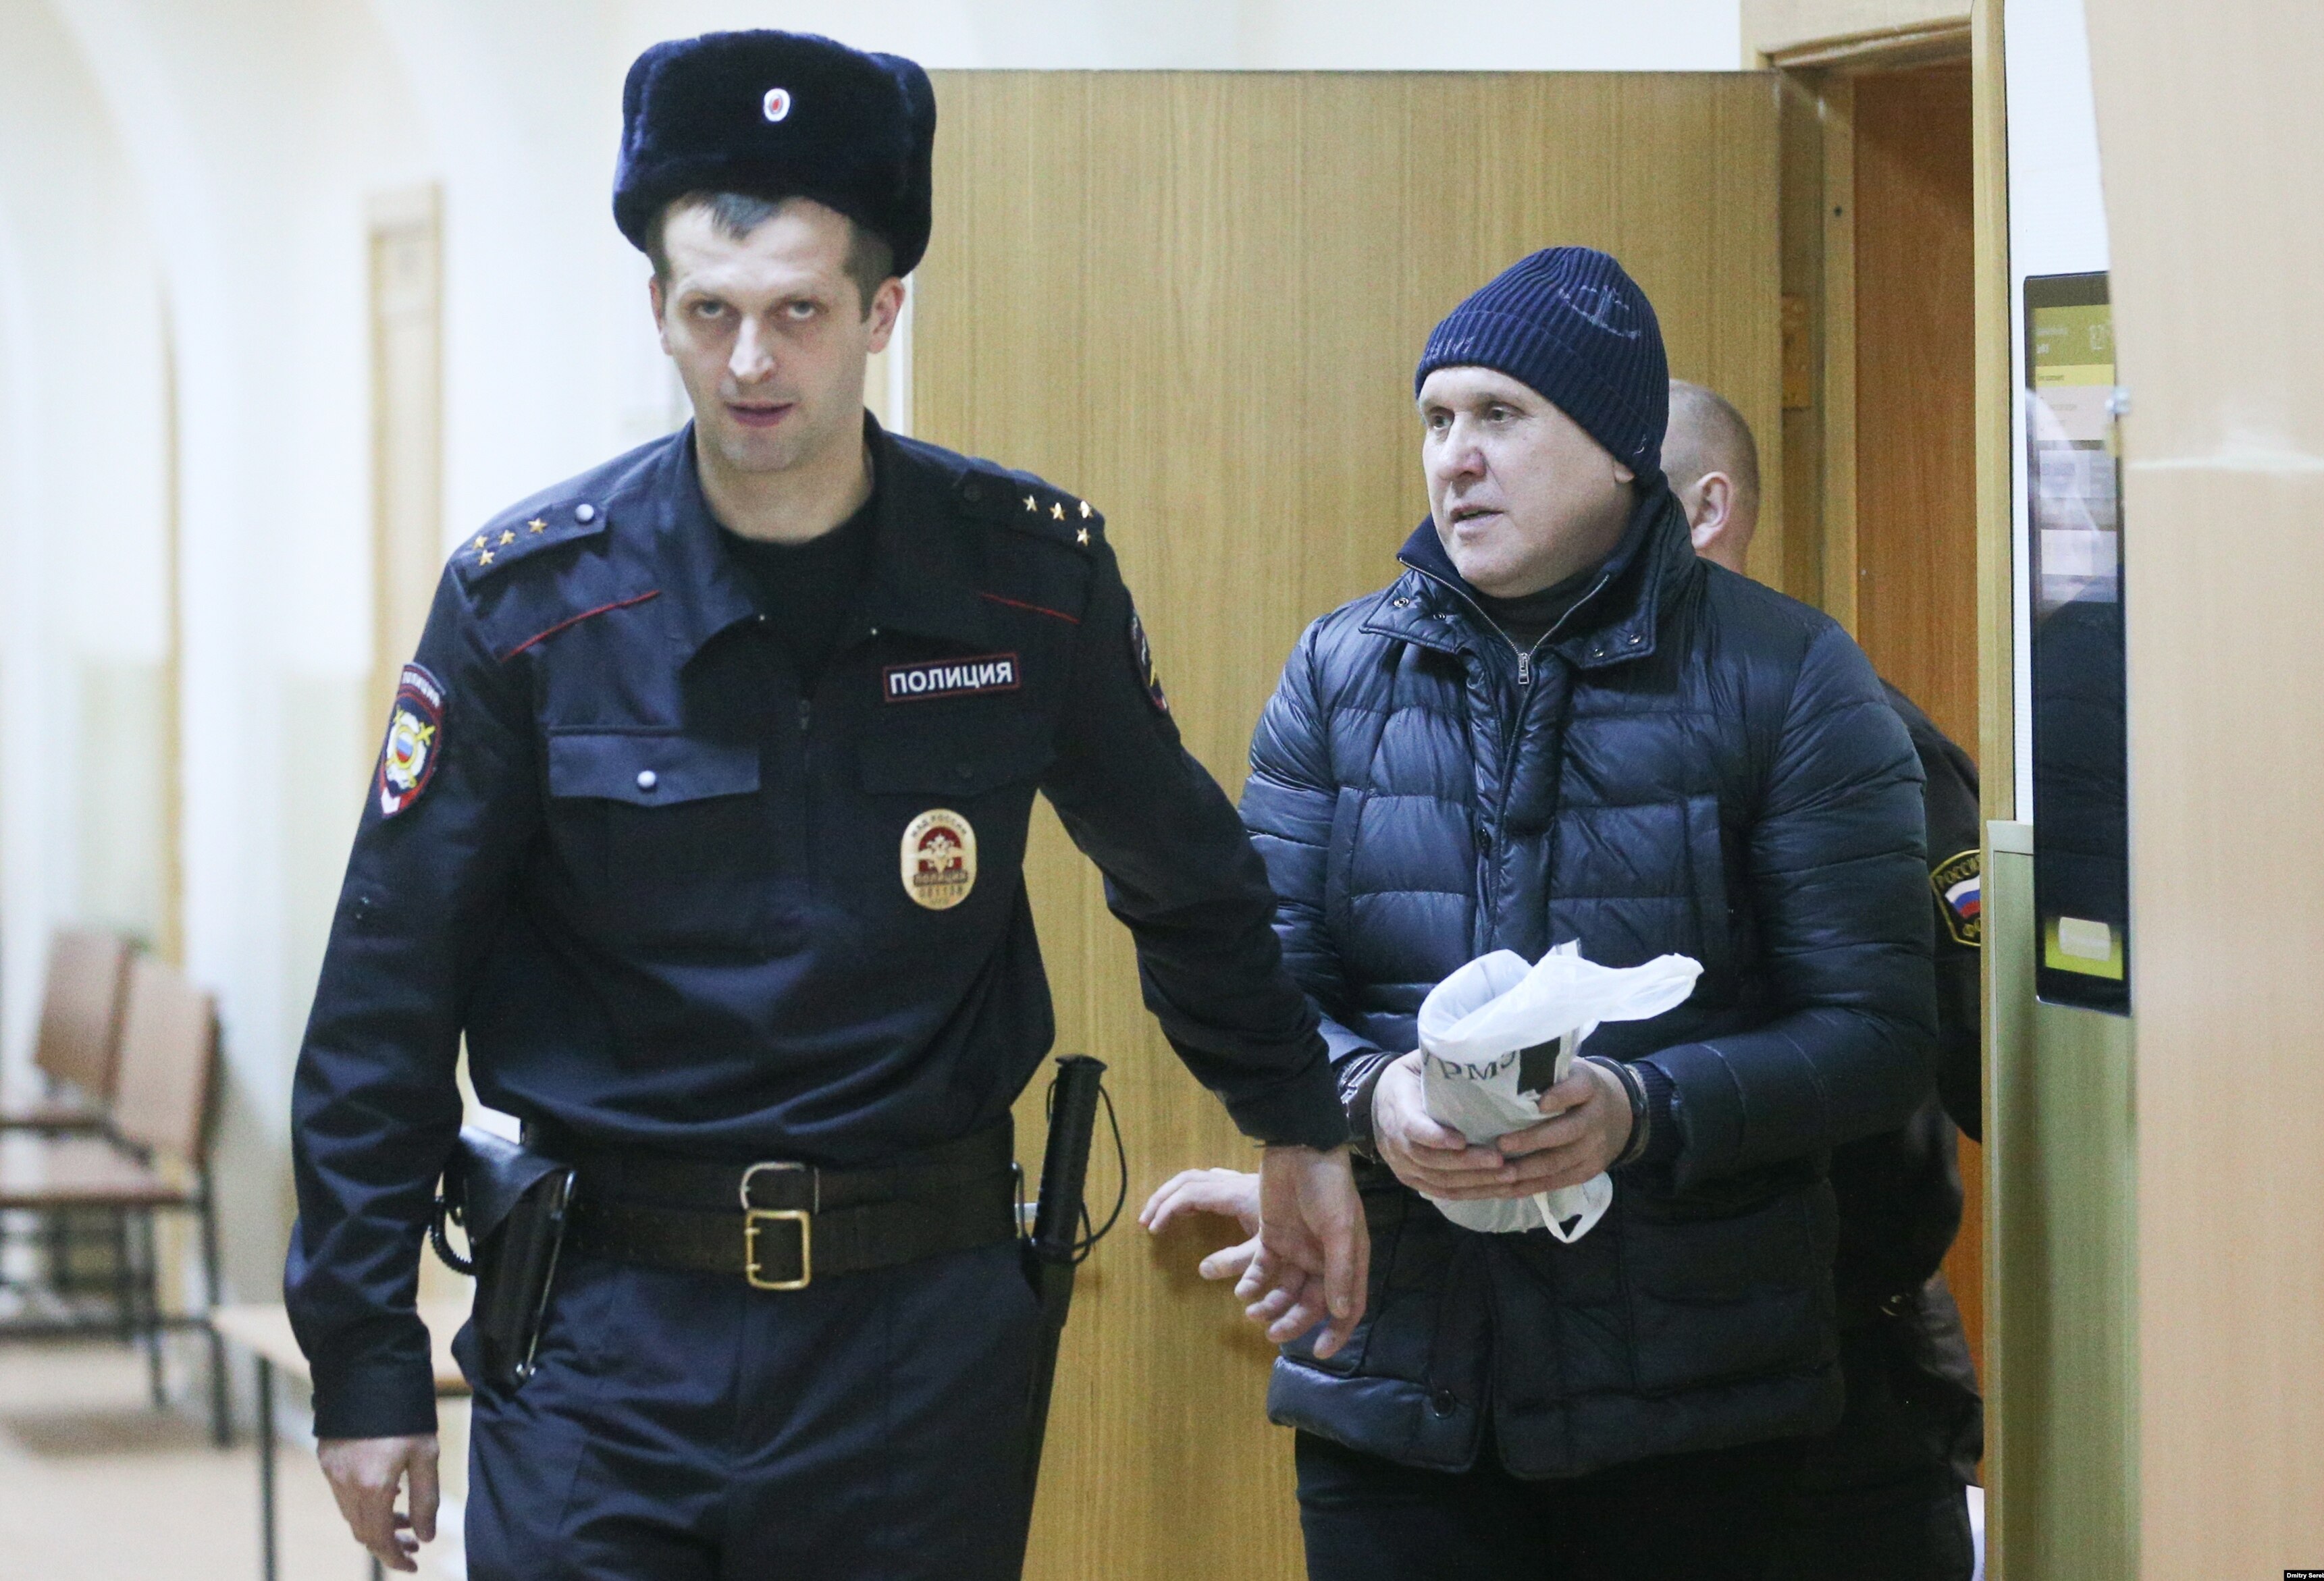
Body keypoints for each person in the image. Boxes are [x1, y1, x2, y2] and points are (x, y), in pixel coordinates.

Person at [283, 30, 1365, 1581]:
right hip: (606, 1335)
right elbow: (387, 987)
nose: (750, 362)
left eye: (797, 311)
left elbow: (1181, 871)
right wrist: (364, 1356)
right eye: (710, 311)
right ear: (658, 310)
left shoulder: (1023, 582)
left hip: (914, 1344)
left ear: (879, 311)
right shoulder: (531, 608)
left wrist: (1295, 1120)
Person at [1150, 247, 1935, 1580]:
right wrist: (1369, 1095)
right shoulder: (1339, 670)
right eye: (1436, 419)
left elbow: (1876, 1033)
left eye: (1501, 416)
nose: (1454, 457)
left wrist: (1641, 1108)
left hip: (1693, 1402)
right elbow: (1256, 984)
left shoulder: (1791, 673)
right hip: (1394, 1383)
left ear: (1622, 450)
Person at [1665, 378, 1984, 1579]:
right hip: (1639, 1375)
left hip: (1845, 1361)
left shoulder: (1859, 732)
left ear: (1706, 512)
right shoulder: (1556, 738)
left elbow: (1989, 1061)